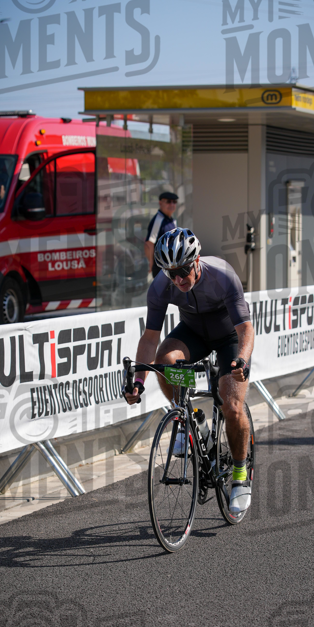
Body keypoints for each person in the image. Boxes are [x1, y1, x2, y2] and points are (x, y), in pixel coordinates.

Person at [125, 228, 255, 517]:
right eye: (172, 274)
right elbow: (150, 338)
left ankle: (240, 475)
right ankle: (189, 419)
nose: (179, 279)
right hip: (192, 334)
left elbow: (245, 328)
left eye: (184, 270)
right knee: (165, 360)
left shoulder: (222, 275)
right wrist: (138, 381)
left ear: (196, 261)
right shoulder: (160, 286)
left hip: (228, 338)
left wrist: (242, 361)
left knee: (232, 406)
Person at [144, 191, 178, 278]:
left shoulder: (172, 221)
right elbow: (149, 243)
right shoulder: (158, 220)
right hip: (161, 269)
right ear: (160, 203)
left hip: (172, 267)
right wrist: (151, 263)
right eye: (168, 201)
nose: (172, 204)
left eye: (174, 202)